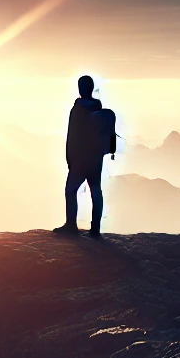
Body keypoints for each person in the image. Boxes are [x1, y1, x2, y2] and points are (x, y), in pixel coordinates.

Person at [54, 74, 116, 238]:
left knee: (70, 190)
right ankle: (95, 229)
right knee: (95, 189)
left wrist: (70, 158)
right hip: (96, 157)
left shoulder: (78, 109)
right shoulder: (98, 107)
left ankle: (71, 224)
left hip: (80, 158)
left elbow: (72, 135)